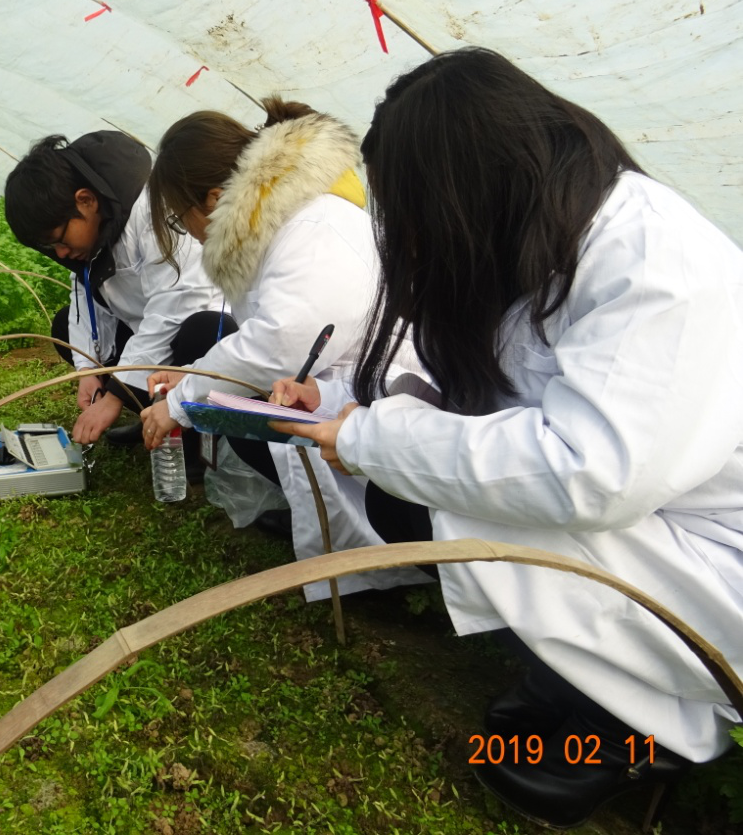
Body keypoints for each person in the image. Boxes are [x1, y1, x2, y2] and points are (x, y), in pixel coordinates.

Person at [272, 47, 743, 828]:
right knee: (442, 493)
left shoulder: (652, 258)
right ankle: (585, 690)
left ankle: (656, 732)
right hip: (661, 537)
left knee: (474, 512)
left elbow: (588, 472)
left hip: (718, 563)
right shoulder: (548, 240)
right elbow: (473, 385)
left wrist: (374, 441)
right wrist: (342, 399)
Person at [138, 96, 428, 598]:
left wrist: (181, 399)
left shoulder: (314, 225)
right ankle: (338, 535)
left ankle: (395, 574)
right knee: (239, 406)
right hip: (337, 388)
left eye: (180, 217)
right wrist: (189, 377)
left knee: (246, 409)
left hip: (389, 400)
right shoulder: (289, 219)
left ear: (210, 199)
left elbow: (279, 341)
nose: (186, 231)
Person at [4, 131, 224, 446]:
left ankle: (194, 437)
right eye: (50, 248)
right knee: (64, 324)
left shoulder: (151, 211)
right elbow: (86, 299)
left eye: (61, 240)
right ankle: (150, 413)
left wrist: (115, 395)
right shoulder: (95, 226)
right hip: (151, 331)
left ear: (86, 200)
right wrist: (87, 371)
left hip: (205, 328)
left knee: (201, 329)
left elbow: (177, 306)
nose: (61, 253)